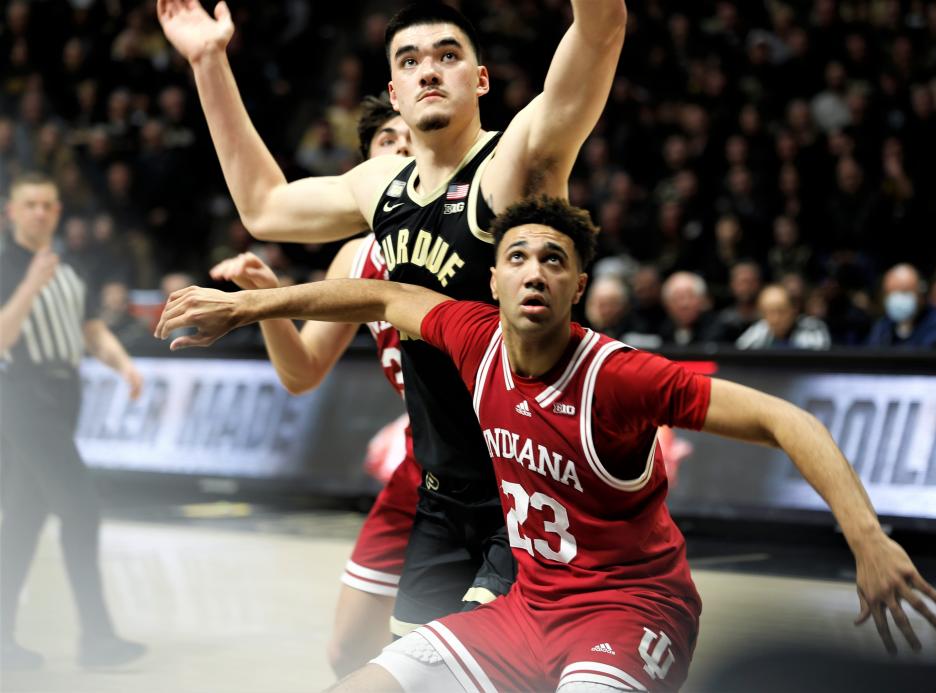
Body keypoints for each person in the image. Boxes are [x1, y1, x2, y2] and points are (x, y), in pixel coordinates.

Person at [155, 196, 936, 692]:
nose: (535, 271)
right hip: (524, 609)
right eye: (518, 257)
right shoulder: (468, 334)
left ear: (578, 288)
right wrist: (251, 309)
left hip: (632, 612)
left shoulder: (624, 377)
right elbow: (383, 291)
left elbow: (789, 419)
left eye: (555, 260)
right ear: (492, 281)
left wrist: (868, 538)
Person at [157, 0, 626, 642]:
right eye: (411, 61)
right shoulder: (381, 186)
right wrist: (209, 62)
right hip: (442, 490)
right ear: (393, 93)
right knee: (407, 659)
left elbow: (600, 30)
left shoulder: (515, 163)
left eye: (447, 56)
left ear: (480, 79)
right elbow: (264, 207)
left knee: (478, 671)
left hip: (527, 487)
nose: (429, 71)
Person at [209, 94, 419, 676]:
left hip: (500, 456)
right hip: (424, 464)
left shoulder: (471, 225)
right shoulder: (356, 256)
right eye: (386, 143)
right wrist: (267, 299)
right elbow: (301, 373)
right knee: (349, 652)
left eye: (411, 140)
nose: (401, 150)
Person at [0, 173, 146, 669]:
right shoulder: (6, 264)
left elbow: (90, 329)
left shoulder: (69, 266)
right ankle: (97, 638)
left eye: (48, 205)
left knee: (22, 521)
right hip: (22, 393)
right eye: (31, 204)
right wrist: (29, 285)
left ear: (58, 212)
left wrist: (122, 364)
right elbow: (2, 335)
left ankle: (3, 641)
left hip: (64, 393)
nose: (40, 212)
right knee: (81, 510)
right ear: (11, 213)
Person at [865, 263, 936, 349]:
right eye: (891, 293)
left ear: (921, 293)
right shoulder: (883, 327)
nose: (897, 299)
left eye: (904, 292)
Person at [737, 283, 831, 350]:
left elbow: (821, 360)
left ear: (793, 310)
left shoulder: (813, 327)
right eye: (769, 312)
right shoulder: (759, 330)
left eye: (781, 311)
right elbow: (739, 355)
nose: (775, 318)